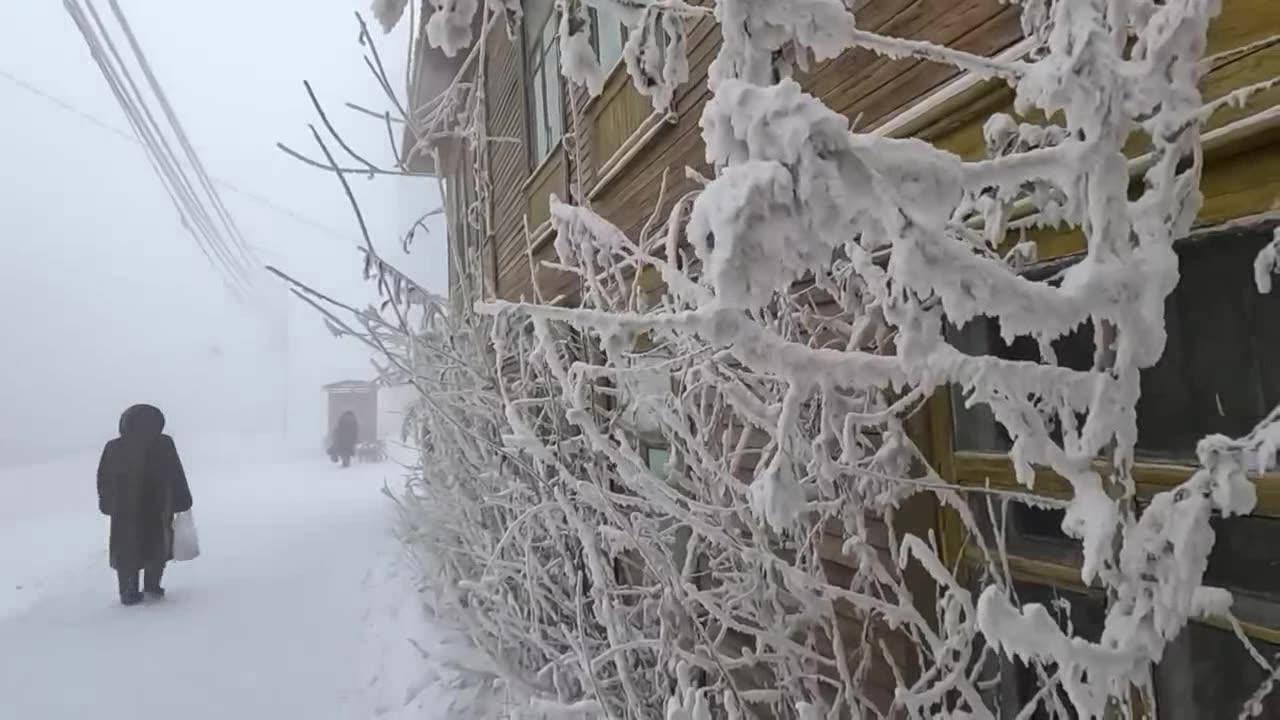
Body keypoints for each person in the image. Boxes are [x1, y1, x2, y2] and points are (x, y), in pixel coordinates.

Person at [96, 404, 193, 606]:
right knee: (157, 546)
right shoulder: (164, 443)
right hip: (157, 507)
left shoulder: (115, 446)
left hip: (125, 510)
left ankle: (128, 591)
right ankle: (152, 586)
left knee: (127, 550)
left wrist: (106, 502)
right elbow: (176, 473)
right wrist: (182, 499)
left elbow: (103, 478)